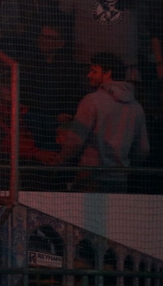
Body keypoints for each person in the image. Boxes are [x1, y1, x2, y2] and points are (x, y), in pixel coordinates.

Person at [56, 52, 150, 192]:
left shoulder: (92, 100)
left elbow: (75, 140)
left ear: (107, 73)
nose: (89, 75)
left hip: (90, 177)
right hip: (120, 180)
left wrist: (60, 160)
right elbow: (143, 149)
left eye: (94, 71)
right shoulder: (136, 107)